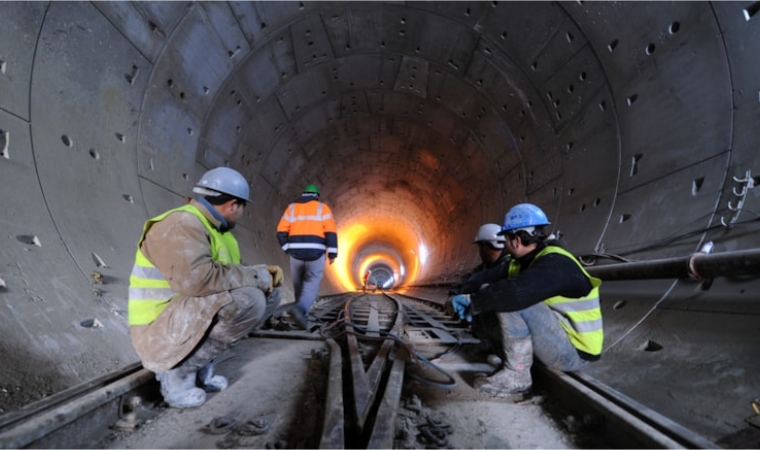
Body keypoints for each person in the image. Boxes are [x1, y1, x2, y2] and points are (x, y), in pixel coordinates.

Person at [128, 167, 284, 409]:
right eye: (243, 208)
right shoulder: (183, 223)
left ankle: (200, 363)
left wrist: (262, 273)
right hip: (157, 332)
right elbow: (197, 280)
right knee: (250, 299)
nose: (241, 214)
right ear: (233, 205)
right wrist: (256, 276)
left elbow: (227, 276)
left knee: (270, 293)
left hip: (182, 321)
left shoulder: (216, 231)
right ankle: (178, 372)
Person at [449, 203, 603, 400]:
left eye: (506, 237)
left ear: (516, 239)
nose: (505, 243)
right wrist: (459, 294)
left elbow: (513, 294)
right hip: (554, 341)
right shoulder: (523, 262)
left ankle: (517, 376)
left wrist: (475, 301)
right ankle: (503, 357)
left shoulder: (557, 263)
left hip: (574, 353)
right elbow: (484, 278)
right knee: (489, 292)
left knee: (505, 297)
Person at [276, 184, 338, 330]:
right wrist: (332, 253)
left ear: (303, 194)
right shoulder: (323, 208)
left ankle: (300, 313)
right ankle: (301, 310)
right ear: (316, 196)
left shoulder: (291, 208)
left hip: (296, 254)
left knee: (298, 284)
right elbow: (330, 232)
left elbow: (280, 232)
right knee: (311, 283)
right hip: (316, 254)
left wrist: (287, 249)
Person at [448, 223, 512, 352]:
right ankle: (486, 337)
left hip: (510, 325)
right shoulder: (488, 265)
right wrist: (454, 293)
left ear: (484, 246)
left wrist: (466, 293)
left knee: (485, 290)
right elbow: (472, 277)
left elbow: (480, 279)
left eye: (480, 247)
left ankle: (495, 344)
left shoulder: (508, 261)